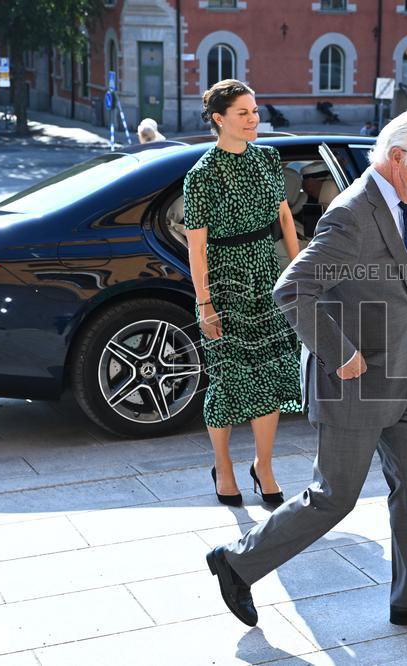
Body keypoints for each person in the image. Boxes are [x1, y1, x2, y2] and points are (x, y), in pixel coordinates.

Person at [206, 108, 407, 632]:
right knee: (334, 497)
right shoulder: (353, 212)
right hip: (356, 381)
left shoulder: (397, 204)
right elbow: (292, 289)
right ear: (399, 159)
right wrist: (340, 353)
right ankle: (236, 561)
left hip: (398, 379)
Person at [183, 79, 302, 507]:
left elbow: (286, 220)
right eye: (243, 113)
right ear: (219, 119)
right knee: (229, 381)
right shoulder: (202, 176)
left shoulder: (269, 159)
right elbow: (197, 248)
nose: (254, 119)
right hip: (225, 284)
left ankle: (263, 465)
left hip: (267, 279)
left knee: (270, 377)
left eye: (255, 111)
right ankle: (224, 466)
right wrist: (205, 304)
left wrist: (298, 272)